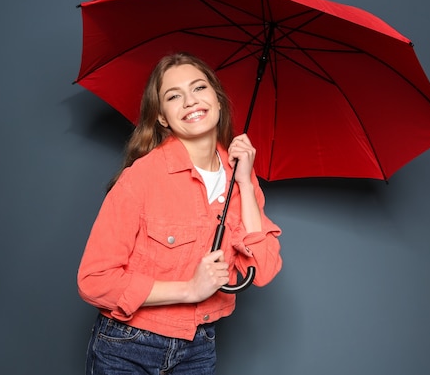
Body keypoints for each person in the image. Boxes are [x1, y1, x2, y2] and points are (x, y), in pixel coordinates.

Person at [77, 52, 282, 374]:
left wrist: (244, 183)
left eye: (199, 88)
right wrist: (189, 289)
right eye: (174, 96)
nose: (190, 101)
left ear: (217, 98)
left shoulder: (243, 176)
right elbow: (94, 281)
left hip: (199, 348)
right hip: (128, 346)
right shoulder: (142, 177)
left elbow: (265, 269)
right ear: (161, 117)